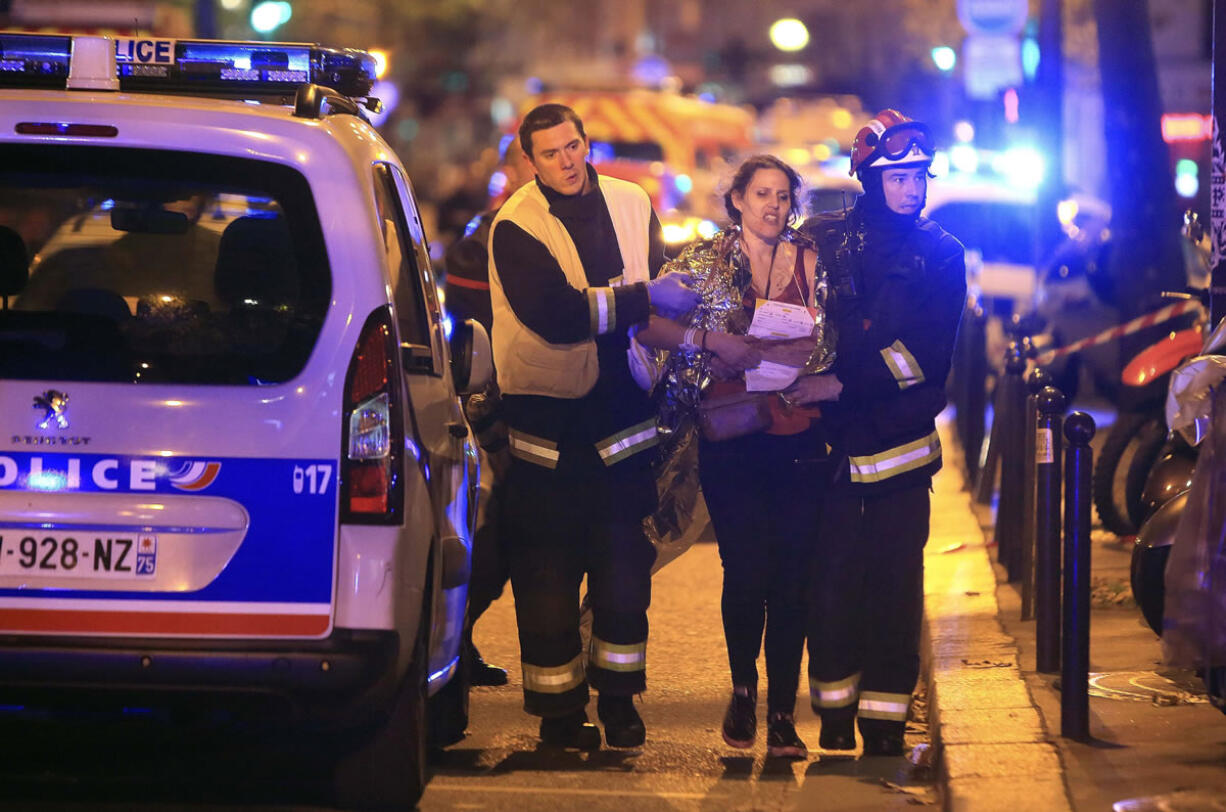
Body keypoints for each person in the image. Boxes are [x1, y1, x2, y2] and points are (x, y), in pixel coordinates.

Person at [487, 103, 703, 750]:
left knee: (623, 579)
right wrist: (647, 300)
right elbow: (556, 315)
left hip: (621, 422)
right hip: (546, 436)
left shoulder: (634, 203)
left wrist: (694, 335)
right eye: (550, 153)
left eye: (574, 146)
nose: (567, 161)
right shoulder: (516, 224)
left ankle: (619, 703)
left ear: (587, 143)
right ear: (530, 160)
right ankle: (558, 716)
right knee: (546, 581)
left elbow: (656, 284)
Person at [648, 154, 838, 759]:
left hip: (801, 434)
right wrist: (710, 342)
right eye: (761, 193)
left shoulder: (816, 262)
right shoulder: (705, 262)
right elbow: (648, 323)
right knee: (746, 569)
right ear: (737, 200)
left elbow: (845, 337)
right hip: (731, 434)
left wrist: (822, 370)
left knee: (791, 575)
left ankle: (782, 712)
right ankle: (742, 689)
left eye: (783, 195)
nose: (773, 206)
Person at [794, 109, 966, 757]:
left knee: (895, 592)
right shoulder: (822, 241)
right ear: (869, 177)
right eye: (897, 177)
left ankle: (886, 722)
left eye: (918, 175)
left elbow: (925, 359)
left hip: (898, 452)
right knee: (830, 584)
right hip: (831, 453)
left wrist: (840, 380)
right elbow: (794, 325)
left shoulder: (942, 255)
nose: (911, 188)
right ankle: (835, 712)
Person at [442, 135, 537, 688]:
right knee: (490, 542)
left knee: (509, 542)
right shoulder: (482, 243)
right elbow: (477, 340)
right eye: (534, 160)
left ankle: (460, 641)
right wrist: (492, 427)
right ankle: (456, 642)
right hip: (492, 414)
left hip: (546, 408)